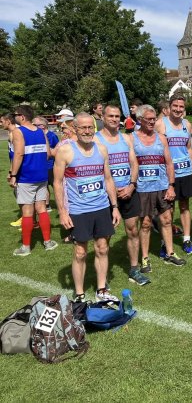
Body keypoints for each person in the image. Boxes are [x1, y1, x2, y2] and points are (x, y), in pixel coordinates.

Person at [53, 112, 121, 302]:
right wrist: (62, 212)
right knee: (80, 252)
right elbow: (57, 183)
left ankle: (101, 290)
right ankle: (80, 294)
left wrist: (114, 206)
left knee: (102, 248)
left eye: (90, 127)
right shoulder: (65, 151)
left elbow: (108, 179)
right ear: (75, 128)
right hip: (78, 210)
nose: (87, 131)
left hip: (101, 207)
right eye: (83, 127)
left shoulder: (101, 149)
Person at [96, 105, 149, 286]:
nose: (113, 119)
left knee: (133, 230)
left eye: (117, 116)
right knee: (106, 235)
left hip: (128, 191)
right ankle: (104, 276)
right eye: (110, 116)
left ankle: (134, 269)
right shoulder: (96, 140)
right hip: (105, 195)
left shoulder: (126, 138)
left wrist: (132, 186)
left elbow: (134, 163)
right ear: (102, 117)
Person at [133, 104, 185, 270]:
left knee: (167, 220)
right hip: (143, 188)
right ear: (139, 120)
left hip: (162, 186)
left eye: (154, 119)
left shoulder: (161, 138)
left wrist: (171, 186)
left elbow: (169, 163)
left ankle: (170, 253)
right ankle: (145, 258)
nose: (152, 122)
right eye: (148, 119)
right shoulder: (131, 138)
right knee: (146, 223)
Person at [9, 105, 58, 256]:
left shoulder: (18, 131)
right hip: (41, 175)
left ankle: (26, 247)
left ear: (22, 117)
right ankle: (48, 242)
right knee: (42, 209)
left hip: (26, 177)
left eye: (15, 115)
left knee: (27, 211)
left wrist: (13, 174)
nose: (14, 117)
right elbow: (48, 153)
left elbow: (18, 154)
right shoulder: (41, 131)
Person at [155, 94, 192, 255]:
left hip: (185, 171)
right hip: (168, 174)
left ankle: (186, 240)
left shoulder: (187, 124)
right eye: (175, 106)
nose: (178, 109)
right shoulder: (160, 125)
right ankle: (164, 243)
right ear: (169, 106)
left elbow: (188, 148)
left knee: (185, 206)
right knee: (168, 210)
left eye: (181, 107)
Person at [33, 117, 60, 212]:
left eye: (37, 125)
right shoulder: (36, 135)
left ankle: (64, 203)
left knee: (56, 185)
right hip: (41, 166)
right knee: (44, 186)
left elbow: (58, 149)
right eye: (34, 125)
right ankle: (47, 205)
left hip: (51, 166)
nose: (34, 127)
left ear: (43, 126)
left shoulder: (52, 136)